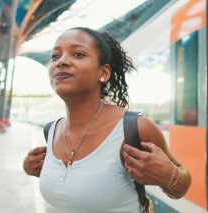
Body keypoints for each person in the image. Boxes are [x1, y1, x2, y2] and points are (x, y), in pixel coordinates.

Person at [23, 27, 191, 212]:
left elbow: (181, 187)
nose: (61, 61)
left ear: (103, 73)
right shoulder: (51, 131)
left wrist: (169, 176)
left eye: (78, 54)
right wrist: (34, 169)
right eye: (55, 56)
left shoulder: (134, 128)